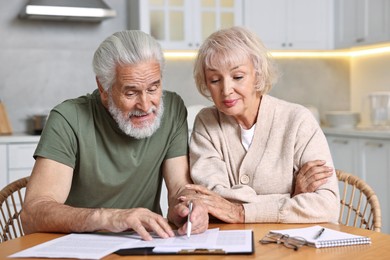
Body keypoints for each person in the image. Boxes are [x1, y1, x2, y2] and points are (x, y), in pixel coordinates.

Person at [21, 30, 208, 240]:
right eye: (130, 93)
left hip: (144, 245)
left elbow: (178, 190)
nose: (146, 105)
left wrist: (187, 207)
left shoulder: (172, 109)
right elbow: (32, 214)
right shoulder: (67, 119)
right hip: (79, 246)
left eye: (153, 88)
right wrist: (109, 218)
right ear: (103, 88)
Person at [181, 26, 340, 224]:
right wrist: (292, 196)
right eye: (215, 80)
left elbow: (328, 206)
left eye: (238, 77)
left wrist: (239, 212)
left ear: (257, 73)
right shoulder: (206, 122)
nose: (226, 90)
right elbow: (214, 201)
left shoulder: (298, 121)